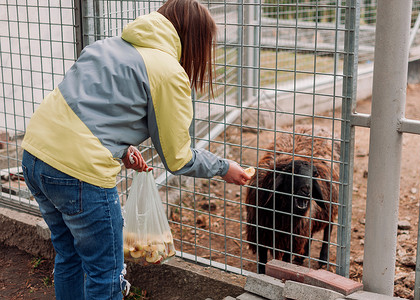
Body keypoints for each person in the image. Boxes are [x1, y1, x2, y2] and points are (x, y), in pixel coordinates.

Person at [21, 0, 251, 298]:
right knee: (106, 273)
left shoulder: (107, 46)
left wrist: (120, 146)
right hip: (79, 175)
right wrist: (223, 167)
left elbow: (89, 107)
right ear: (195, 38)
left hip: (34, 157)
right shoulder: (168, 72)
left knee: (70, 256)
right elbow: (177, 159)